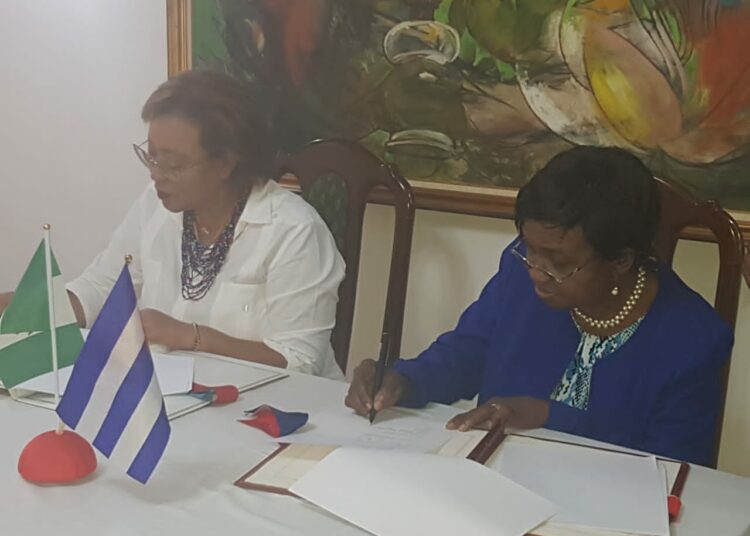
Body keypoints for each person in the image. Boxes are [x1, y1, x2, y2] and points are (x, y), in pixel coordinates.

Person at [346, 146, 733, 465]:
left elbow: (675, 467)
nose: (536, 270)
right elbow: (467, 352)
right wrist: (402, 379)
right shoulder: (519, 272)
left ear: (621, 260)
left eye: (560, 263)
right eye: (530, 249)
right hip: (492, 493)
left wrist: (551, 417)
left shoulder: (691, 339)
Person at [0, 70, 345, 379]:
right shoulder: (156, 204)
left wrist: (191, 336)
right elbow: (101, 288)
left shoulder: (292, 231)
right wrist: (29, 308)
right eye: (151, 156)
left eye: (173, 165)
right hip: (179, 400)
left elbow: (301, 363)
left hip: (279, 416)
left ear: (226, 163)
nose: (156, 174)